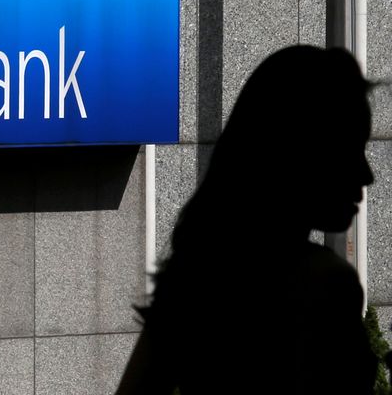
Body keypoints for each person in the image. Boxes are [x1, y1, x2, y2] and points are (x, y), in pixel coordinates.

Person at [116, 46, 378, 394]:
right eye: (349, 149)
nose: (367, 174)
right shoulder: (324, 284)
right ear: (300, 152)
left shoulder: (197, 274)